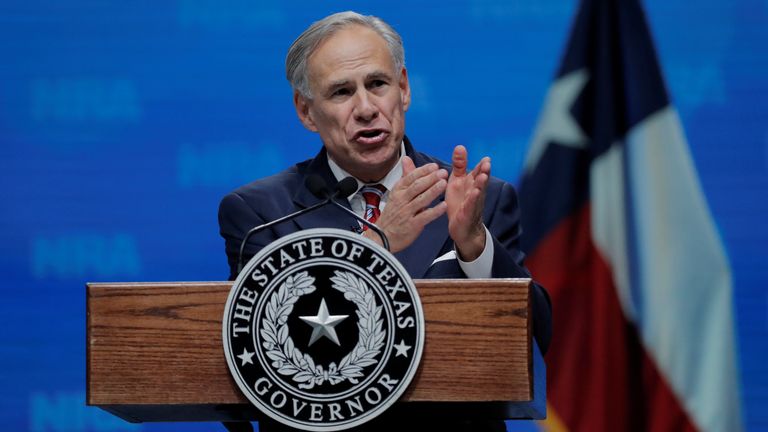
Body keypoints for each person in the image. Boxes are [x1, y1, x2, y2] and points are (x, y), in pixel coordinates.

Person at [218, 11, 551, 431]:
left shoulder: (475, 198)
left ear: (404, 88)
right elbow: (264, 352)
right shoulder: (260, 214)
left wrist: (476, 248)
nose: (366, 108)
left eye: (377, 84)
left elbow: (538, 336)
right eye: (341, 92)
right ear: (306, 111)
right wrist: (376, 245)